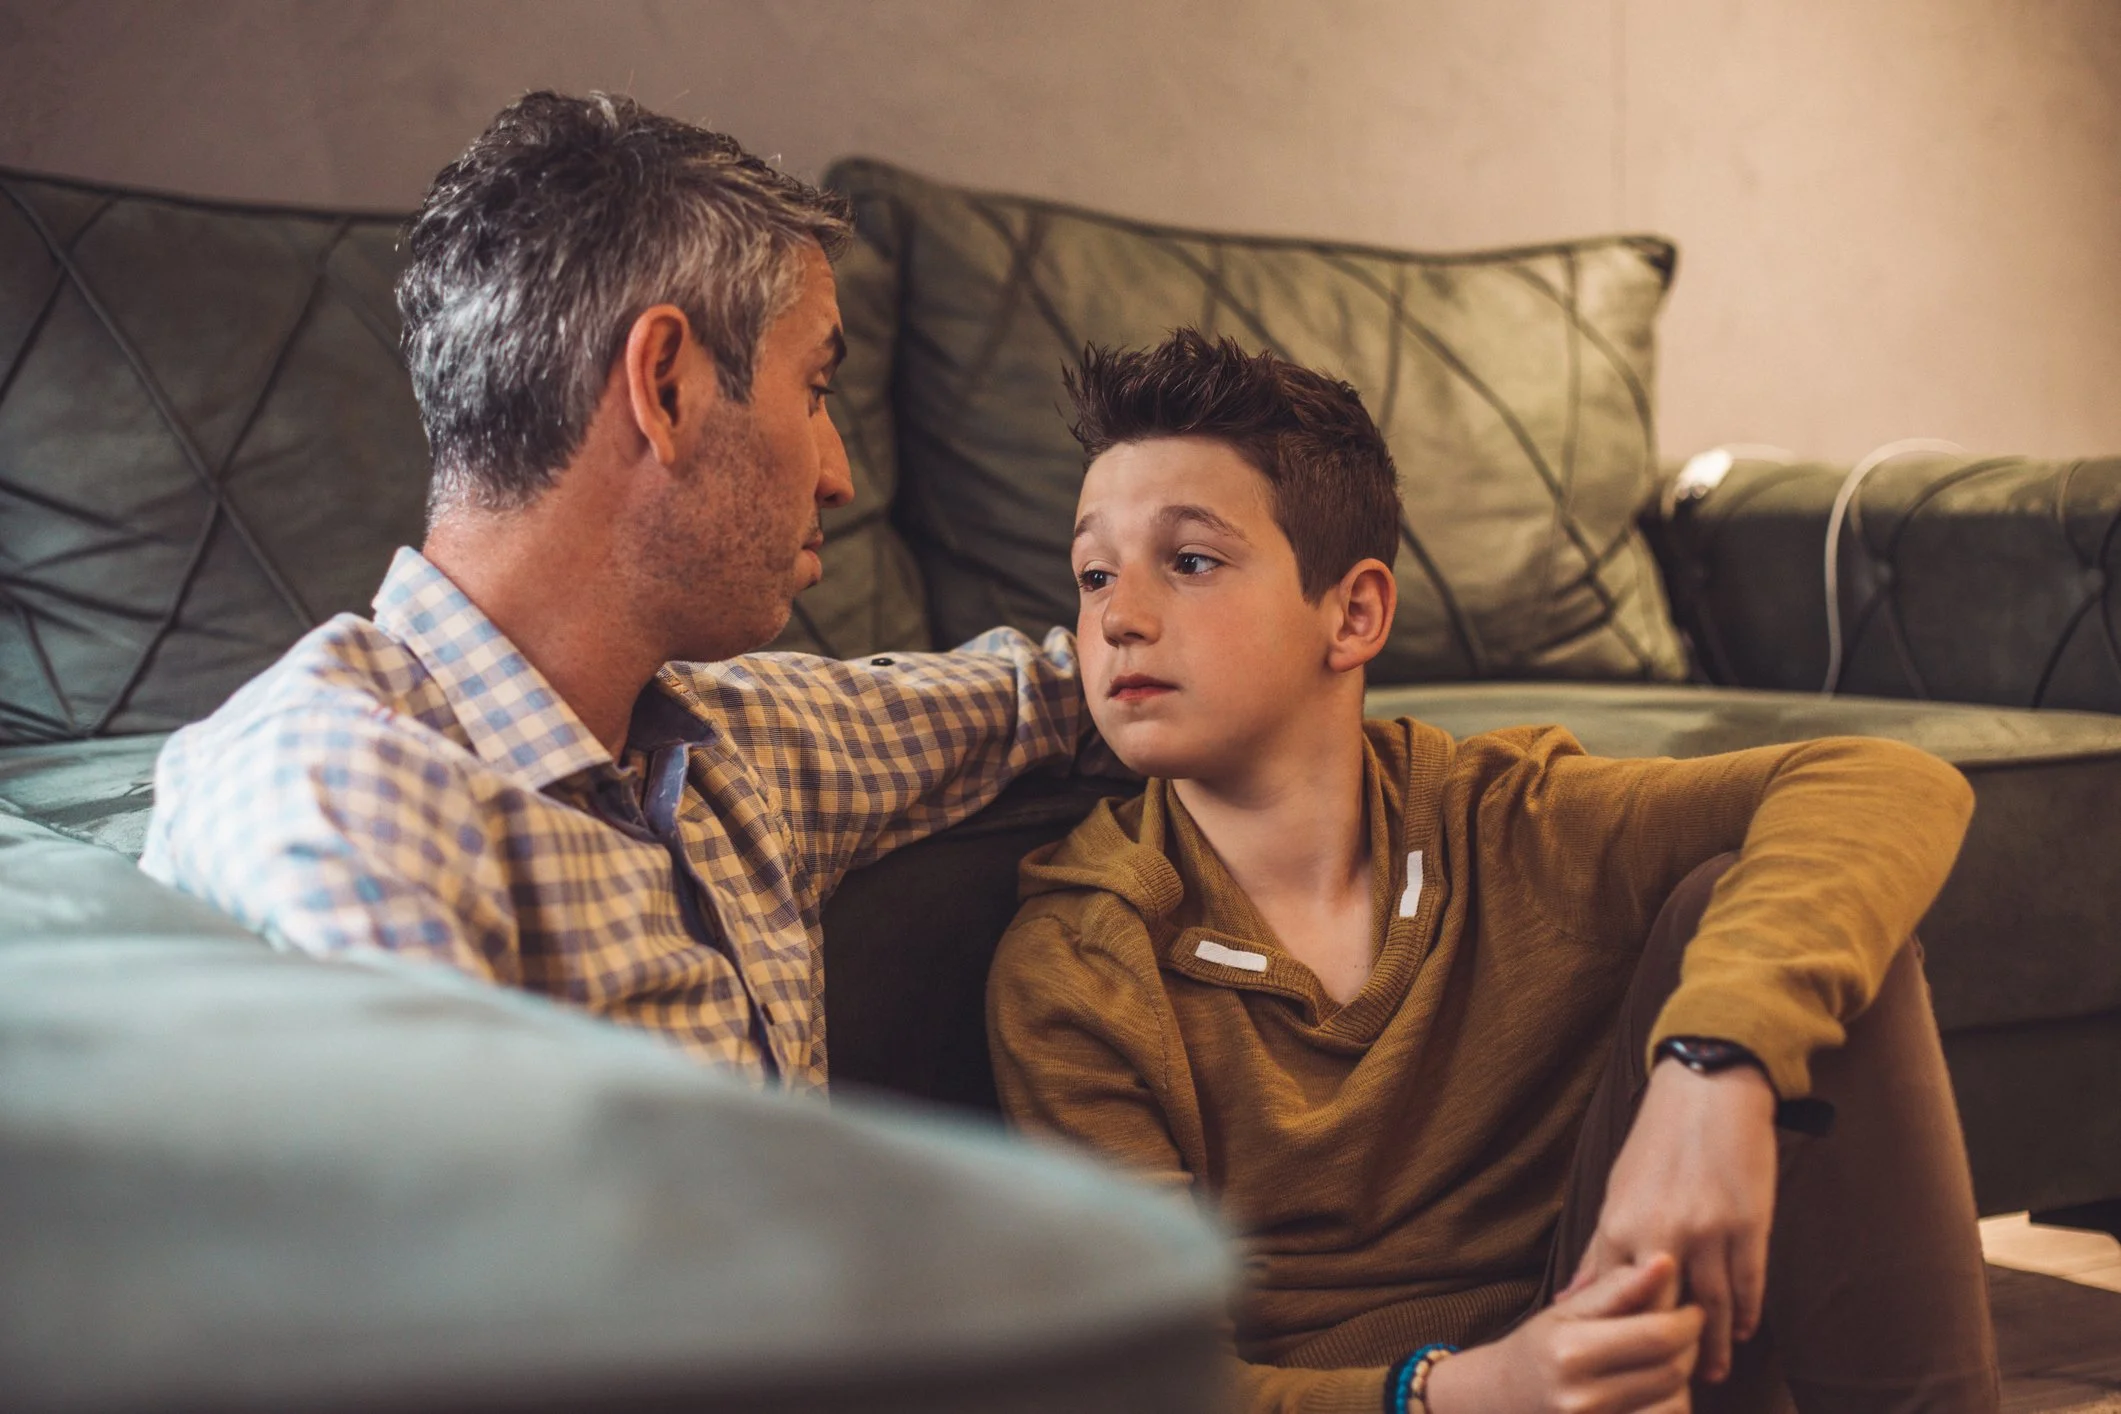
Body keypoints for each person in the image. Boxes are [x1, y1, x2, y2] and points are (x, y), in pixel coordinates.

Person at [985, 331, 1999, 1413]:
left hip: (1626, 1357)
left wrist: (1714, 1071)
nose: (1116, 617)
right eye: (1094, 573)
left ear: (1355, 612)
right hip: (1386, 1402)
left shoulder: (1507, 818)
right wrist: (1463, 1388)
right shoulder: (1079, 965)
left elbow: (1881, 781)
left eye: (1189, 561)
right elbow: (1151, 1385)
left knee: (1772, 912)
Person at [140, 92, 1106, 1091]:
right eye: (815, 392)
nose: (838, 474)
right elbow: (455, 1232)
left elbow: (1060, 690)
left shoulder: (732, 749)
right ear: (667, 386)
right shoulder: (346, 794)